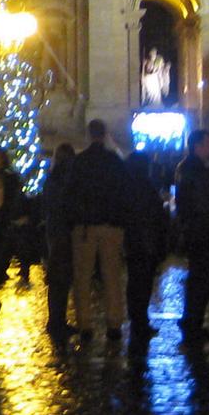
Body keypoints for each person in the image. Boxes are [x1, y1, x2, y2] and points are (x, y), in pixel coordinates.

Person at [67, 119, 129, 344]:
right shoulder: (114, 161)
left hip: (85, 226)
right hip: (111, 226)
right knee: (111, 275)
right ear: (105, 135)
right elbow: (124, 192)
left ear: (88, 134)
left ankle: (85, 324)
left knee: (82, 277)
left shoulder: (79, 162)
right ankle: (114, 323)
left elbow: (70, 193)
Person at [173, 130, 209, 341]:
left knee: (197, 278)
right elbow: (204, 206)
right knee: (203, 279)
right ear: (198, 146)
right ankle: (193, 324)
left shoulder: (186, 167)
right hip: (201, 232)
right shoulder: (197, 171)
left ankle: (191, 320)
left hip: (194, 230)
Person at [122, 152, 168, 341]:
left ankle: (138, 320)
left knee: (135, 283)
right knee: (143, 284)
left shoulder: (128, 186)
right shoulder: (145, 186)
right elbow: (153, 216)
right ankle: (140, 321)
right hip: (146, 241)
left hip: (134, 242)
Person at [41, 143, 77, 341]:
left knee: (58, 279)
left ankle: (57, 320)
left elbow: (47, 204)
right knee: (61, 279)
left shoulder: (52, 178)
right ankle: (56, 322)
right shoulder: (67, 179)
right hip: (64, 231)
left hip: (55, 230)